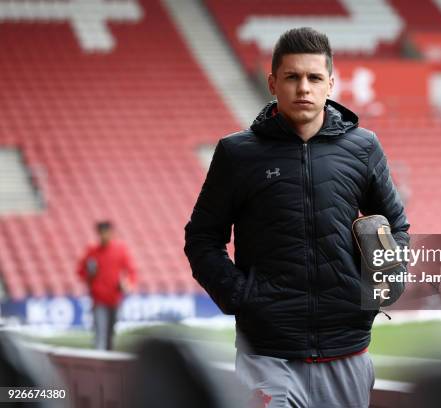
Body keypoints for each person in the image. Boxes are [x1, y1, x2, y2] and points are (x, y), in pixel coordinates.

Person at [184, 27, 409, 408]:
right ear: (273, 83)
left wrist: (385, 283)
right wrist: (242, 297)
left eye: (314, 77)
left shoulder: (363, 147)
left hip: (347, 350)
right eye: (292, 77)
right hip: (267, 355)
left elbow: (395, 226)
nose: (303, 87)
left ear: (330, 84)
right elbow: (203, 238)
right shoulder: (238, 153)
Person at [77, 221, 137, 350]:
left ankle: (107, 361)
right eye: (102, 233)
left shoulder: (120, 250)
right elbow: (81, 272)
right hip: (98, 300)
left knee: (110, 334)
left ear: (111, 233)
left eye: (107, 233)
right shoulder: (92, 252)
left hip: (115, 299)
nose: (104, 236)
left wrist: (127, 283)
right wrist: (89, 276)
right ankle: (99, 362)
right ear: (98, 234)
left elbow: (131, 271)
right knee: (100, 334)